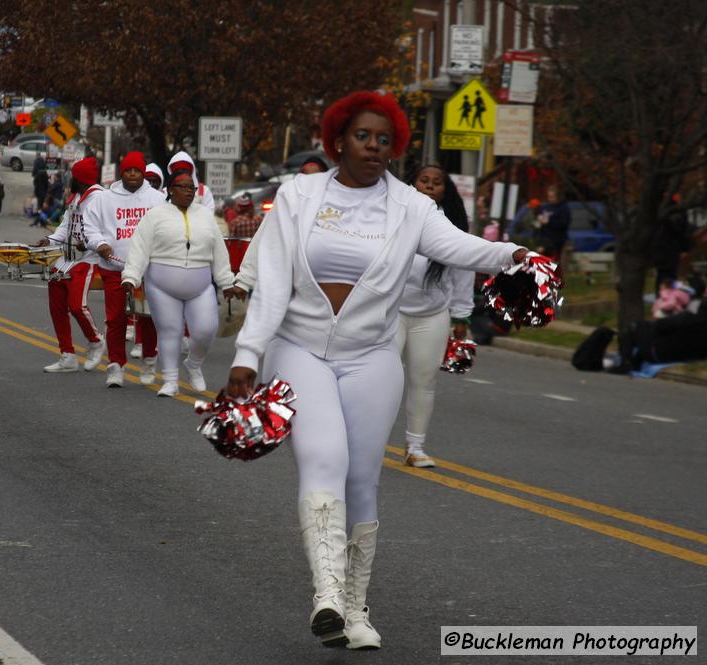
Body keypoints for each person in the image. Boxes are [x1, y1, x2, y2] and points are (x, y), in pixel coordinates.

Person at [224, 91, 526, 650]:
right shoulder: (299, 195)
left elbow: (461, 248)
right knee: (325, 457)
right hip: (301, 346)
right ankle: (328, 596)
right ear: (339, 139)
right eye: (364, 136)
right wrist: (248, 354)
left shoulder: (411, 206)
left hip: (371, 355)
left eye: (385, 140)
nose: (374, 147)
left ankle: (357, 609)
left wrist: (515, 256)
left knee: (362, 478)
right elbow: (271, 284)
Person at [122, 169, 237, 396]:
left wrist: (226, 281)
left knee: (206, 329)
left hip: (201, 286)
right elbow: (139, 248)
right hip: (161, 285)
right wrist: (131, 276)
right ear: (170, 190)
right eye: (182, 187)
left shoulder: (205, 215)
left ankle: (193, 364)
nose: (188, 192)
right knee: (170, 331)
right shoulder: (155, 215)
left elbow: (219, 251)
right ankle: (170, 380)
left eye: (191, 188)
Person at [395, 165, 475, 468]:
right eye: (423, 181)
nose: (429, 186)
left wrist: (461, 316)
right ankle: (369, 442)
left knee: (424, 380)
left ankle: (415, 447)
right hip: (391, 311)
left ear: (445, 190)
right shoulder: (394, 215)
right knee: (383, 379)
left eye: (436, 183)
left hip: (432, 314)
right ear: (411, 184)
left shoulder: (451, 226)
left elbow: (464, 268)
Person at [83, 152, 167, 387]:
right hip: (113, 268)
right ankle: (115, 367)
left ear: (143, 173)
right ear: (122, 172)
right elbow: (90, 227)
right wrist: (100, 244)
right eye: (128, 170)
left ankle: (149, 361)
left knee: (148, 318)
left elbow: (166, 229)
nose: (132, 174)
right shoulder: (104, 198)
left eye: (137, 171)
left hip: (146, 270)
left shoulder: (156, 199)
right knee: (115, 318)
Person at [37, 158, 106, 373]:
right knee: (56, 303)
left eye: (73, 175)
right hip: (66, 258)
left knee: (77, 305)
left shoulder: (101, 199)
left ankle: (95, 340)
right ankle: (67, 355)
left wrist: (92, 244)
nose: (69, 178)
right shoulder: (76, 198)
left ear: (81, 178)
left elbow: (106, 231)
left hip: (88, 259)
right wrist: (49, 239)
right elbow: (66, 226)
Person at [533, 184, 570, 271]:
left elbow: (563, 223)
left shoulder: (563, 208)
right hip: (544, 240)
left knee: (553, 264)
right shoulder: (545, 207)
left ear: (558, 196)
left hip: (557, 241)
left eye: (552, 197)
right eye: (549, 196)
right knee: (542, 264)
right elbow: (538, 220)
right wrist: (538, 220)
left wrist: (549, 222)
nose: (550, 199)